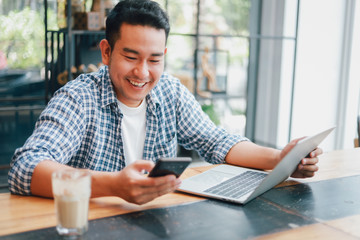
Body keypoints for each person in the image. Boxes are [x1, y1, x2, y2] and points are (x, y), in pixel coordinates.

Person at [8, 0, 322, 205]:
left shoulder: (168, 91)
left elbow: (216, 140)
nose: (142, 72)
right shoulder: (79, 97)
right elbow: (25, 169)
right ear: (106, 52)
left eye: (154, 59)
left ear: (164, 57)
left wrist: (281, 159)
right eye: (130, 56)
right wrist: (114, 185)